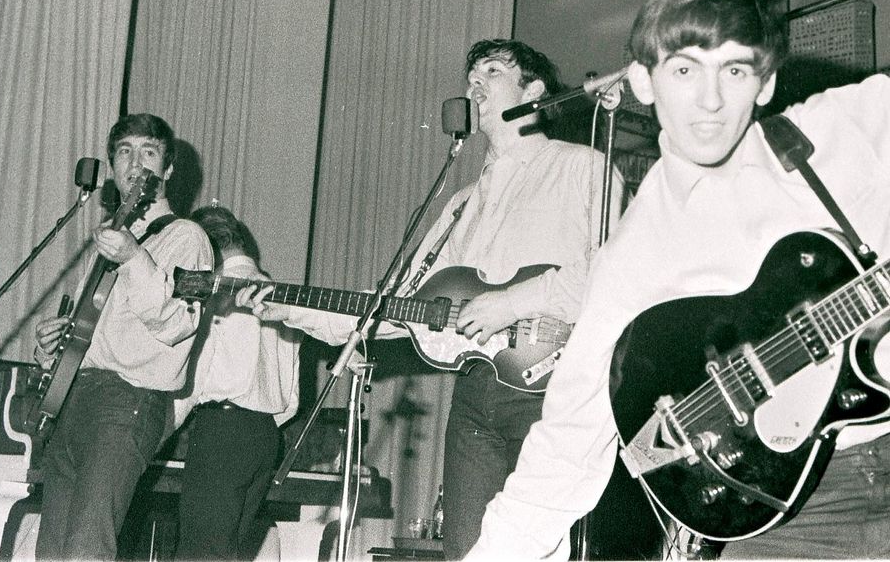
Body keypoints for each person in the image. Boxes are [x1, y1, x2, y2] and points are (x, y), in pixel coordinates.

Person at [468, 0, 890, 560]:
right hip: (800, 512)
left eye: (736, 70)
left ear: (764, 83)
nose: (712, 100)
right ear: (643, 79)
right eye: (686, 69)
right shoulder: (637, 255)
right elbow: (566, 445)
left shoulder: (850, 128)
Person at [239, 39, 622, 559]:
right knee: (466, 551)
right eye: (470, 77)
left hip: (559, 390)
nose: (474, 85)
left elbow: (612, 277)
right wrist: (295, 310)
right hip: (473, 399)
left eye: (492, 71)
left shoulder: (584, 168)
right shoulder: (462, 204)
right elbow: (400, 309)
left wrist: (511, 303)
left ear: (534, 91)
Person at [33, 113, 213, 560]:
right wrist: (51, 348)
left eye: (148, 152)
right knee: (51, 553)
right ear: (112, 165)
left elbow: (178, 324)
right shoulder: (113, 238)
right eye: (124, 151)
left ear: (167, 170)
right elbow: (90, 335)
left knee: (86, 551)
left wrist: (135, 258)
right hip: (77, 399)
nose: (135, 163)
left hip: (128, 403)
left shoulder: (189, 239)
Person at [171, 203, 301, 560]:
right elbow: (290, 399)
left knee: (200, 554)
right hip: (264, 438)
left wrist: (157, 431)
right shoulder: (285, 299)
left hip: (221, 432)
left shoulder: (217, 293)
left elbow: (191, 378)